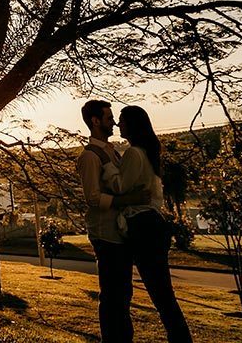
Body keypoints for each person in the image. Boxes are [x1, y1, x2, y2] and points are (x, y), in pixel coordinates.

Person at [96, 104, 193, 343]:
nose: (118, 124)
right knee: (163, 294)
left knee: (160, 294)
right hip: (152, 224)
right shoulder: (147, 153)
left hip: (143, 226)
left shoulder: (133, 153)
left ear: (132, 124)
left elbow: (119, 186)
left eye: (121, 120)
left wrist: (107, 165)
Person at [77, 99, 151, 343]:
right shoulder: (89, 156)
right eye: (109, 119)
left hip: (119, 233)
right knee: (112, 297)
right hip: (105, 234)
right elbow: (93, 198)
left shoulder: (111, 151)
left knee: (123, 294)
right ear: (96, 121)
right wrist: (130, 198)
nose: (114, 123)